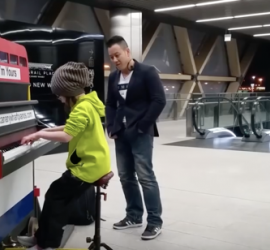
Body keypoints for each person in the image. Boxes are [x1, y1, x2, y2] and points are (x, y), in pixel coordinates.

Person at [19, 62, 111, 250]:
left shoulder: (82, 108)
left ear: (69, 92)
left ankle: (46, 245)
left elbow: (67, 136)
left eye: (60, 94)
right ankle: (41, 239)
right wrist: (50, 128)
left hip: (88, 167)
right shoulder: (89, 102)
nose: (59, 99)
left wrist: (39, 134)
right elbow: (72, 127)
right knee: (59, 198)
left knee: (55, 197)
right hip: (97, 163)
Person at [105, 35, 166, 240]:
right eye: (111, 57)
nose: (115, 60)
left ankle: (155, 222)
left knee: (146, 177)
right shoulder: (113, 78)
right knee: (126, 177)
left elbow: (159, 100)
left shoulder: (147, 72)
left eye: (117, 55)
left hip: (140, 132)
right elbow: (111, 103)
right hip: (120, 134)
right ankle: (133, 215)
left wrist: (142, 125)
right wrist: (111, 126)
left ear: (128, 52)